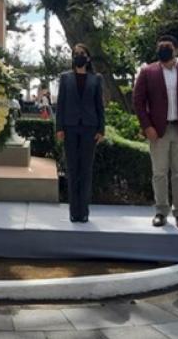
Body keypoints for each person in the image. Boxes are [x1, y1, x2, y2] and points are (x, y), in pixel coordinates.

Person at [132, 35, 178, 230]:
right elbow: (138, 101)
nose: (164, 49)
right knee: (159, 173)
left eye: (168, 46)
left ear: (176, 50)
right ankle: (160, 211)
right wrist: (146, 126)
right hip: (158, 131)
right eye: (160, 46)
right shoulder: (147, 72)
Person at [55, 44, 105, 223]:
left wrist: (101, 129)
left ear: (88, 58)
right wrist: (59, 127)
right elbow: (60, 104)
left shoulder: (96, 78)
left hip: (90, 129)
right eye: (75, 54)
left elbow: (100, 106)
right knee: (72, 169)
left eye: (82, 54)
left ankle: (83, 212)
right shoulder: (65, 78)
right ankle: (73, 212)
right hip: (69, 128)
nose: (78, 56)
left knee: (85, 170)